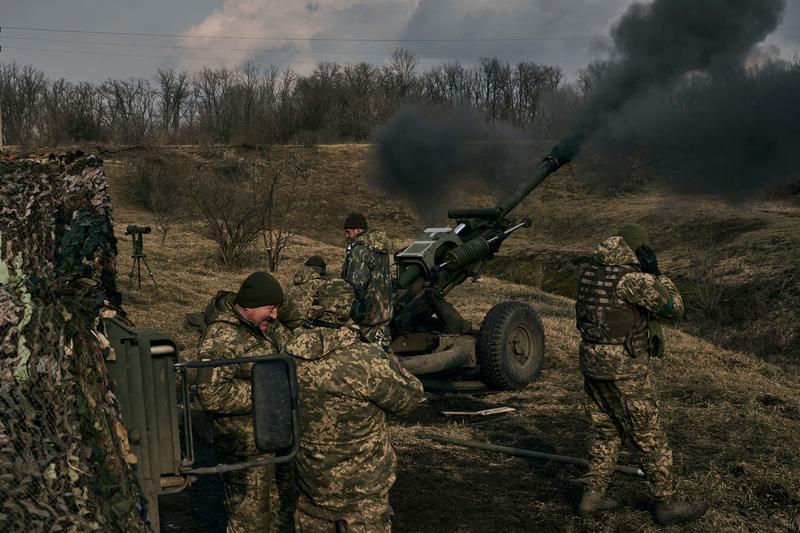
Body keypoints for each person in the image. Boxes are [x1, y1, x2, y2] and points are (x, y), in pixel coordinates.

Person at [574, 224, 707, 525]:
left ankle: (592, 497)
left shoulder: (590, 273)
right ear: (638, 249)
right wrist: (656, 273)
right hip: (624, 369)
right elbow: (674, 307)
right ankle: (668, 503)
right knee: (649, 434)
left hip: (592, 364)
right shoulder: (631, 279)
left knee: (604, 431)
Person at [283, 278, 424, 532]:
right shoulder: (365, 360)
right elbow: (411, 398)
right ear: (349, 309)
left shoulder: (288, 355)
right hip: (362, 495)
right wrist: (393, 364)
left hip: (311, 486)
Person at [195, 271, 294, 533]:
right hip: (244, 448)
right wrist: (267, 393)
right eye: (270, 308)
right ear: (249, 306)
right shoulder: (220, 338)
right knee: (249, 523)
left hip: (276, 442)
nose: (274, 315)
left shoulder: (267, 327)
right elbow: (211, 393)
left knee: (278, 516)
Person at [341, 212, 393, 349]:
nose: (346, 235)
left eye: (348, 232)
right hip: (383, 319)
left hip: (364, 322)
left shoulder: (359, 251)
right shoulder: (381, 251)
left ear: (358, 230)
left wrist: (349, 314)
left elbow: (354, 286)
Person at [279, 256, 329, 328]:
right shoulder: (323, 284)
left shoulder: (295, 284)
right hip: (304, 327)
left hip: (284, 324)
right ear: (323, 270)